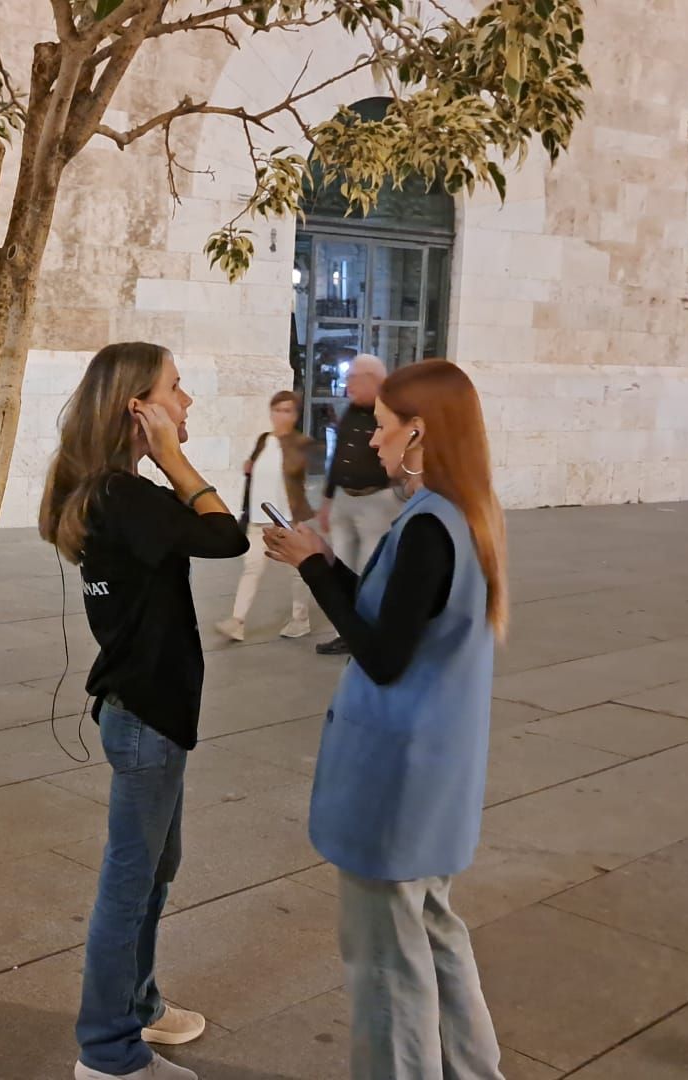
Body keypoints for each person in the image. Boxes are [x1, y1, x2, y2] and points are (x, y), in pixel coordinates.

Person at [265, 359, 509, 1080]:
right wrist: (320, 559)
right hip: (435, 772)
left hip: (397, 779)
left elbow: (380, 653)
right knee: (433, 934)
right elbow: (390, 621)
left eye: (386, 425)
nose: (372, 440)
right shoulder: (464, 513)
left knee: (386, 969)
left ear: (420, 432)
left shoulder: (430, 524)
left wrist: (314, 569)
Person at [39, 342, 248, 1080]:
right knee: (129, 885)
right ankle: (108, 1055)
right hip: (145, 717)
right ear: (139, 407)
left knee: (158, 867)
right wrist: (172, 458)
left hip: (147, 713)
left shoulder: (111, 492)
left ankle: (138, 1004)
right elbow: (227, 534)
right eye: (176, 390)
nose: (187, 402)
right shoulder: (125, 495)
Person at [315, 354, 405, 655]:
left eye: (354, 378)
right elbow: (337, 456)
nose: (348, 383)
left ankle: (369, 633)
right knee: (340, 568)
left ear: (373, 380)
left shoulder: (392, 414)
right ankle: (346, 633)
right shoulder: (351, 412)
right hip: (344, 499)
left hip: (376, 503)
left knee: (370, 571)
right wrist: (327, 500)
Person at [217, 389, 318, 643]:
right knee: (251, 569)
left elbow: (299, 480)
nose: (281, 415)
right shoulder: (264, 440)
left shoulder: (300, 444)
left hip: (286, 519)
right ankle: (237, 621)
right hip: (258, 519)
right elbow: (254, 470)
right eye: (277, 409)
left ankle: (301, 618)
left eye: (287, 410)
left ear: (295, 414)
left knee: (297, 571)